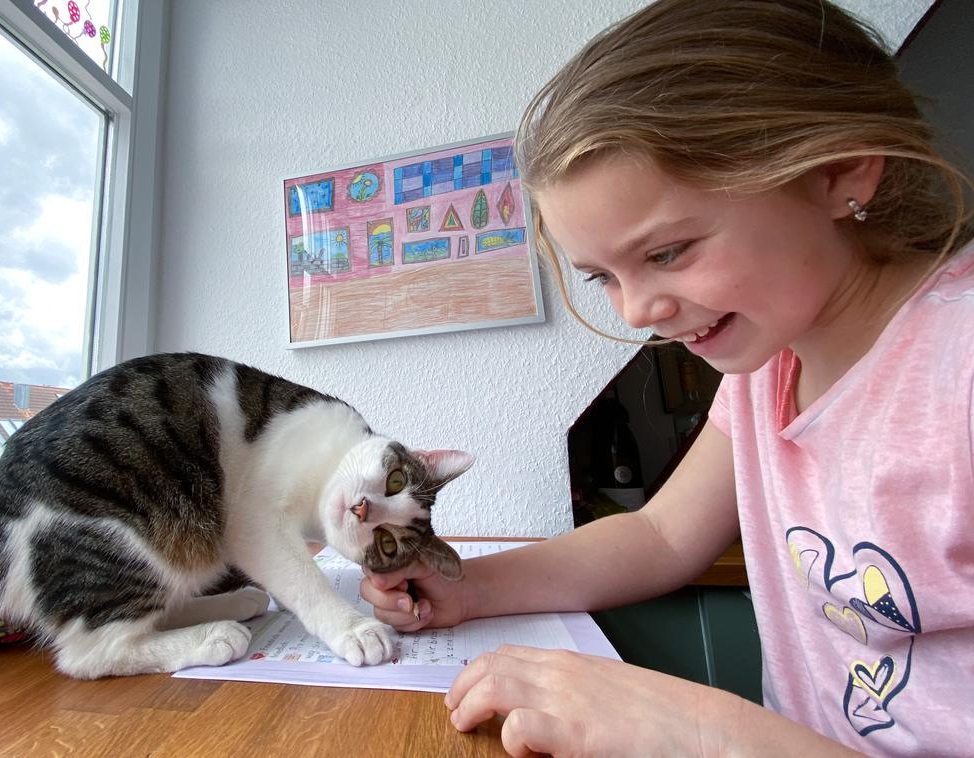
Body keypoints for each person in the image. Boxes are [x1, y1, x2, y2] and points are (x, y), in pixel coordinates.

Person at [360, 0, 974, 754]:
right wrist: (468, 587)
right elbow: (661, 535)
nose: (641, 311)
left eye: (668, 252)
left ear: (838, 169)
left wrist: (698, 730)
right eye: (601, 279)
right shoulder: (767, 366)